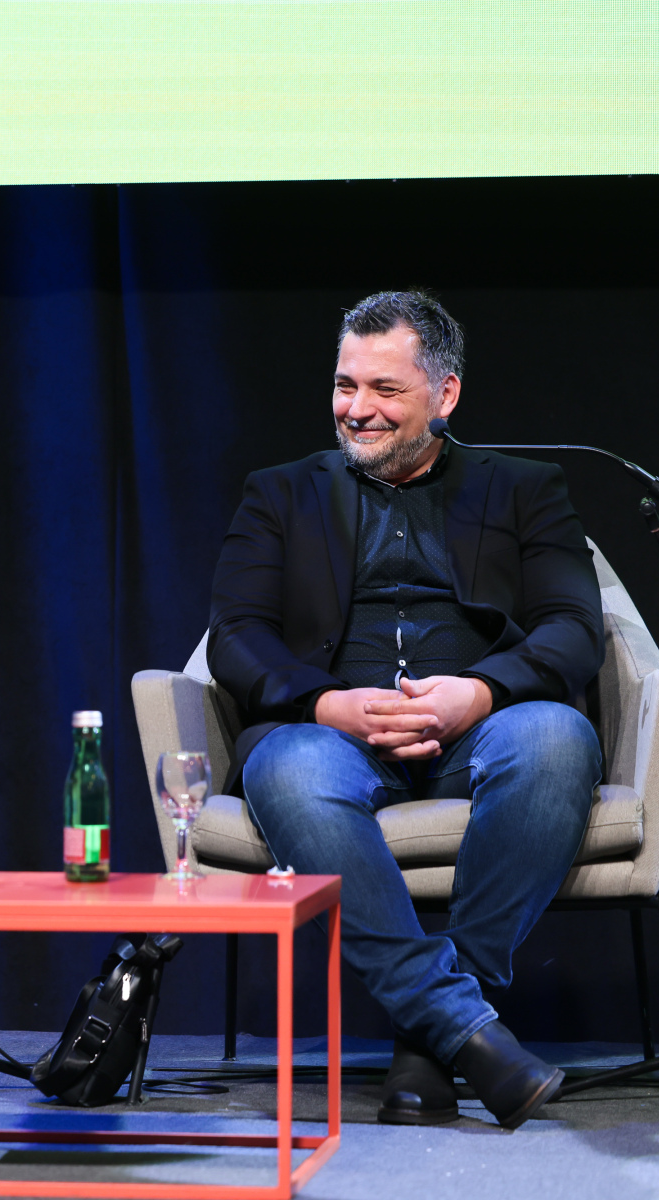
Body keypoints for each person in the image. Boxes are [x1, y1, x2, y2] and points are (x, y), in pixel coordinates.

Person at [208, 290, 603, 1130]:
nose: (357, 409)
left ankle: (434, 1033)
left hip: (481, 731)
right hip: (331, 736)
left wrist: (480, 692)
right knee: (289, 765)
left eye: (385, 389)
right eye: (345, 385)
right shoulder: (279, 493)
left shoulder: (524, 488)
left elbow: (574, 628)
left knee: (557, 737)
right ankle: (467, 1033)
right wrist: (325, 703)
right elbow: (235, 636)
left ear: (445, 393)